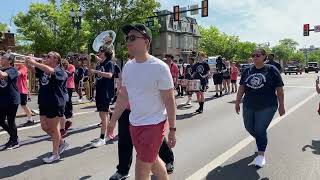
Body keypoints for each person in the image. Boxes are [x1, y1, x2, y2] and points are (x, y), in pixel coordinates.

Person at [107, 24, 176, 180]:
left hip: (154, 125)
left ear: (146, 41)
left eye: (133, 38)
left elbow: (169, 100)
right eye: (127, 38)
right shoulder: (128, 67)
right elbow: (123, 97)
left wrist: (172, 129)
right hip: (134, 124)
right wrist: (112, 122)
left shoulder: (160, 67)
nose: (128, 41)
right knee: (154, 163)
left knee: (141, 170)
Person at [235, 48, 285, 167]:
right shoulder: (247, 70)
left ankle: (261, 154)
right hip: (249, 104)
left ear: (264, 57)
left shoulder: (271, 69)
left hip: (267, 105)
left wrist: (282, 105)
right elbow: (242, 87)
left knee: (260, 129)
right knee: (249, 127)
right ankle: (260, 140)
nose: (255, 57)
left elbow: (279, 88)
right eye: (253, 55)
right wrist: (237, 102)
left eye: (257, 55)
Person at [26, 52, 69, 163]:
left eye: (48, 56)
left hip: (55, 102)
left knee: (54, 129)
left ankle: (55, 154)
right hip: (44, 102)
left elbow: (50, 71)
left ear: (56, 60)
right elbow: (32, 69)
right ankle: (62, 143)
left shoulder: (60, 71)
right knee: (44, 127)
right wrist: (28, 61)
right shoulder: (43, 70)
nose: (45, 58)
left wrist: (35, 62)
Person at [89, 46, 115, 147]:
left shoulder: (109, 63)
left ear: (105, 53)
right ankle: (108, 134)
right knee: (102, 115)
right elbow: (99, 76)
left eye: (100, 51)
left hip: (106, 92)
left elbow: (109, 75)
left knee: (103, 116)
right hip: (99, 91)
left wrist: (96, 72)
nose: (98, 52)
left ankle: (102, 138)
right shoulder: (100, 64)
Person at [0, 53, 20, 150]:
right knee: (0, 120)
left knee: (11, 121)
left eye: (3, 58)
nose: (1, 59)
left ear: (9, 61)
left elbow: (3, 75)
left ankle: (15, 141)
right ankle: (13, 137)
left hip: (12, 100)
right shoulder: (2, 69)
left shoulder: (13, 70)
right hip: (2, 100)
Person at [60, 59, 75, 136]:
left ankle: (69, 114)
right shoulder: (61, 69)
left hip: (69, 86)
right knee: (64, 104)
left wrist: (62, 70)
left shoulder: (71, 66)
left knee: (68, 101)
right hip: (62, 87)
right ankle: (66, 121)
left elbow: (70, 74)